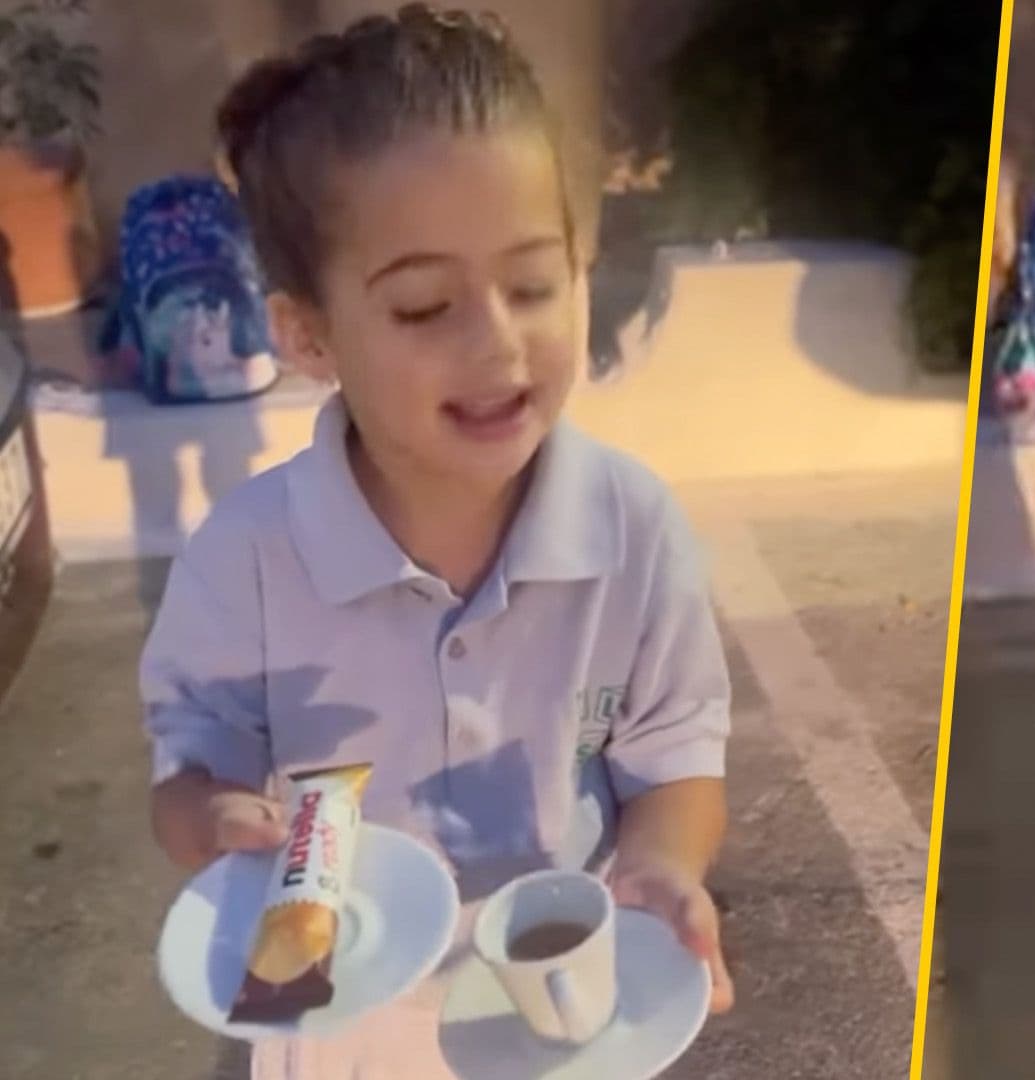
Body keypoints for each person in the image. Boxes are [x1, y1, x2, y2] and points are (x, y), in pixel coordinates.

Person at [140, 7, 732, 1075]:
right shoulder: (246, 557)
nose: (499, 343)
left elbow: (675, 760)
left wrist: (660, 870)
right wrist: (218, 816)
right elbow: (192, 765)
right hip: (346, 1023)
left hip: (566, 1010)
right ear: (308, 334)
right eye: (423, 307)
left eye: (537, 284)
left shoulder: (634, 528)